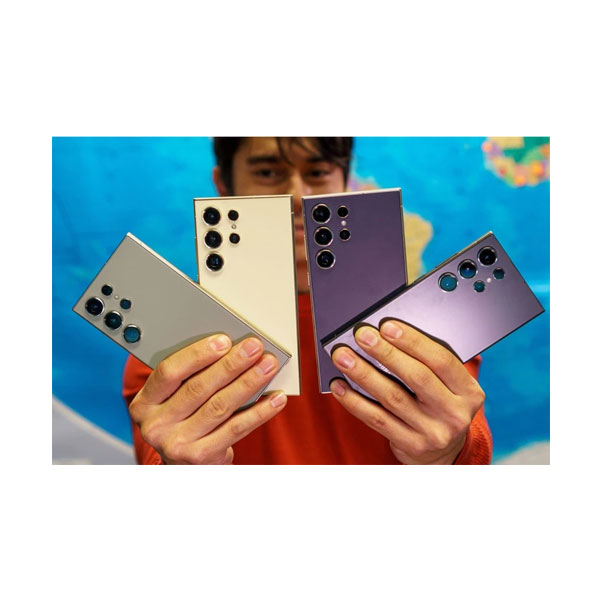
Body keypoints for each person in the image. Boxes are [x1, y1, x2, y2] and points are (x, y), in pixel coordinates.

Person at [123, 137, 492, 465]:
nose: (298, 196)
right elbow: (162, 453)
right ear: (223, 185)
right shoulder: (173, 345)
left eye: (317, 172)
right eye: (267, 172)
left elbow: (461, 438)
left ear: (344, 182)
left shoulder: (421, 324)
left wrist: (447, 454)